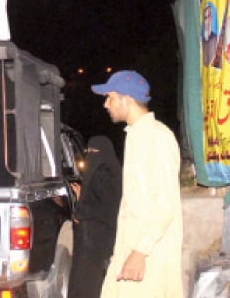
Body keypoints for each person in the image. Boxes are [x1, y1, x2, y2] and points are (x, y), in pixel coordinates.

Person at [91, 71, 183, 298]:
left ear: (127, 98)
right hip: (133, 250)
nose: (106, 104)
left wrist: (140, 251)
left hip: (150, 257)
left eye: (110, 97)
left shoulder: (157, 138)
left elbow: (164, 204)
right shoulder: (136, 136)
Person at [68, 136, 122, 298]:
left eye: (95, 152)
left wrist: (81, 208)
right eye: (88, 152)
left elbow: (103, 209)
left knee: (86, 285)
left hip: (94, 243)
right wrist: (82, 198)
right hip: (99, 240)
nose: (91, 156)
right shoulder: (113, 171)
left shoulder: (102, 175)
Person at [201, 1, 219, 67]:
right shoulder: (203, 40)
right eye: (205, 17)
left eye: (209, 16)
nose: (207, 21)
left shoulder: (214, 38)